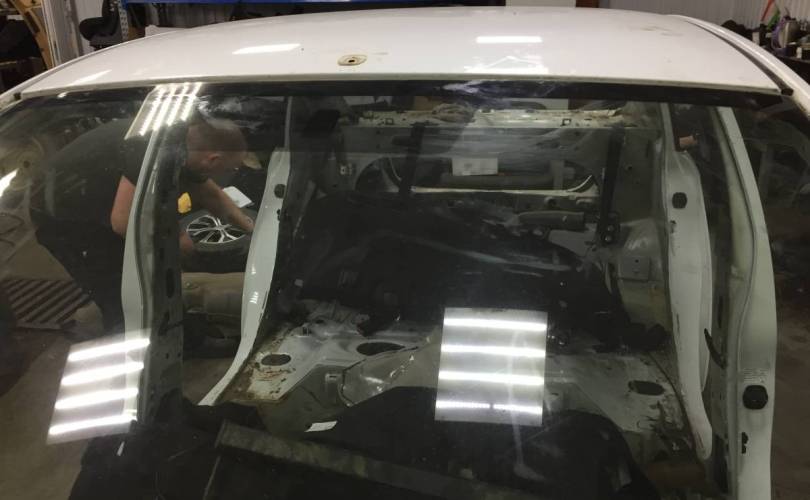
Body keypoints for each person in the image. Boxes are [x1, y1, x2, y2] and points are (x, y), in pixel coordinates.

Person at [33, 115, 252, 333]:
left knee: (155, 281)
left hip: (100, 198)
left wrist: (252, 229)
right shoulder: (154, 152)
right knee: (124, 298)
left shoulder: (186, 142)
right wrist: (174, 239)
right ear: (212, 160)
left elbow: (211, 195)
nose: (229, 174)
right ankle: (127, 341)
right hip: (62, 217)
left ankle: (185, 333)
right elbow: (123, 222)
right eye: (229, 169)